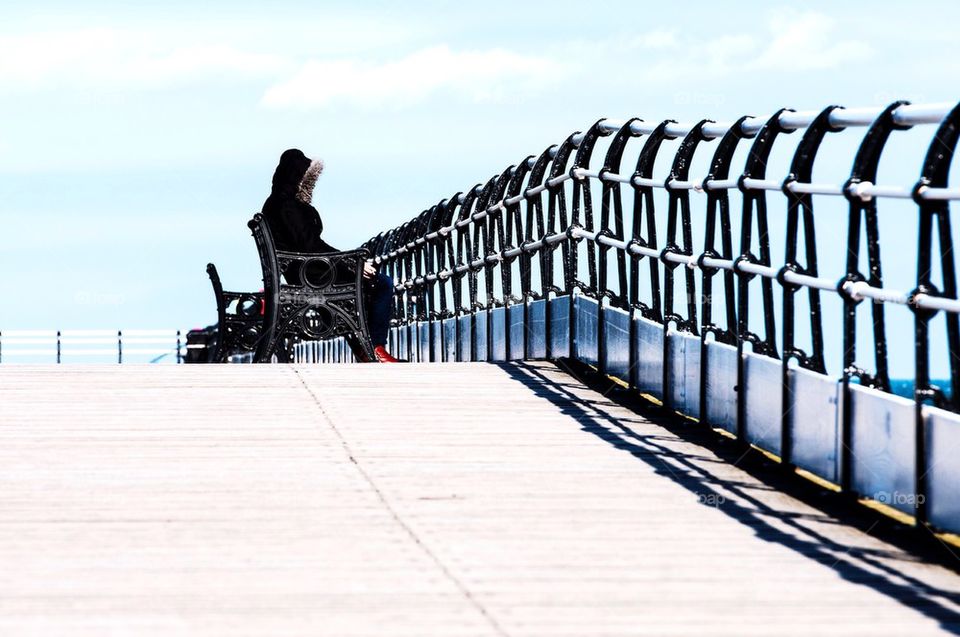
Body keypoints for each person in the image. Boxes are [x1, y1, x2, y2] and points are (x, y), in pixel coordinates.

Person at [261, 148, 403, 363]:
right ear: (298, 177)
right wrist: (353, 263)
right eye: (308, 179)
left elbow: (309, 245)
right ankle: (374, 348)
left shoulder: (278, 203)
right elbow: (311, 246)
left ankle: (365, 349)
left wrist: (352, 262)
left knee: (367, 282)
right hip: (311, 276)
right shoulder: (287, 206)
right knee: (381, 283)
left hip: (304, 272)